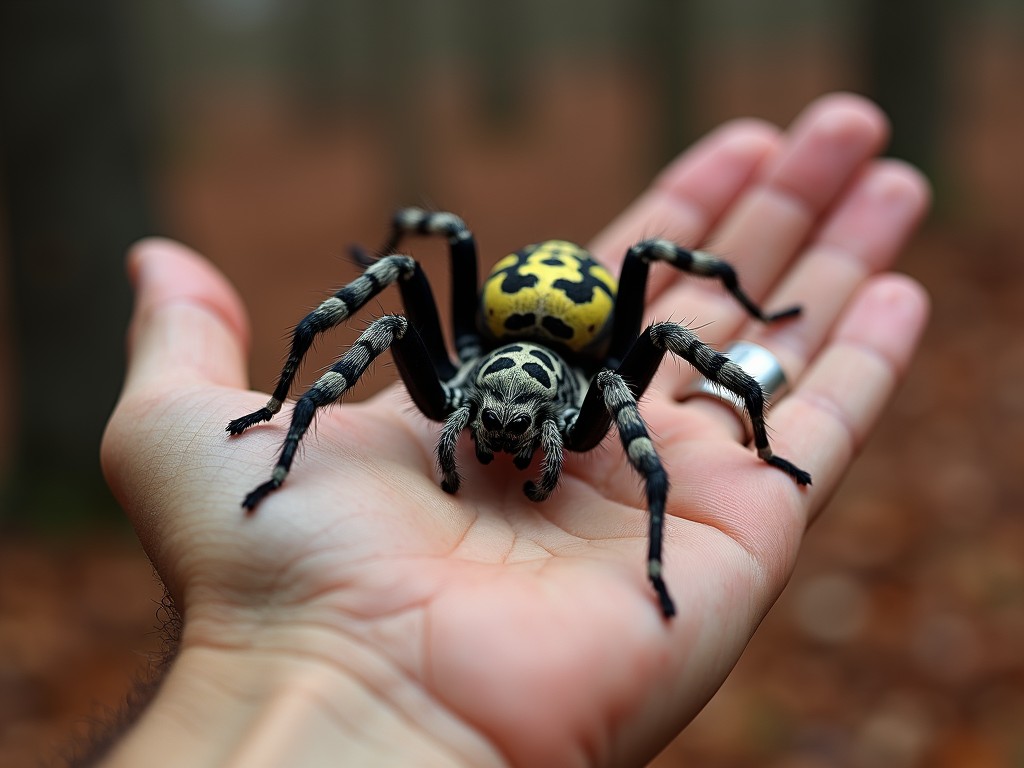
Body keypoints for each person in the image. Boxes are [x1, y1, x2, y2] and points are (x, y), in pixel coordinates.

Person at [99, 93, 930, 767]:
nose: (499, 438)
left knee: (669, 322)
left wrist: (757, 438)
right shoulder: (454, 359)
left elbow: (661, 378)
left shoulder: (603, 380)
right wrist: (286, 416)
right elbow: (382, 297)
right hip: (491, 336)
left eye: (515, 433)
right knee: (404, 282)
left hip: (577, 342)